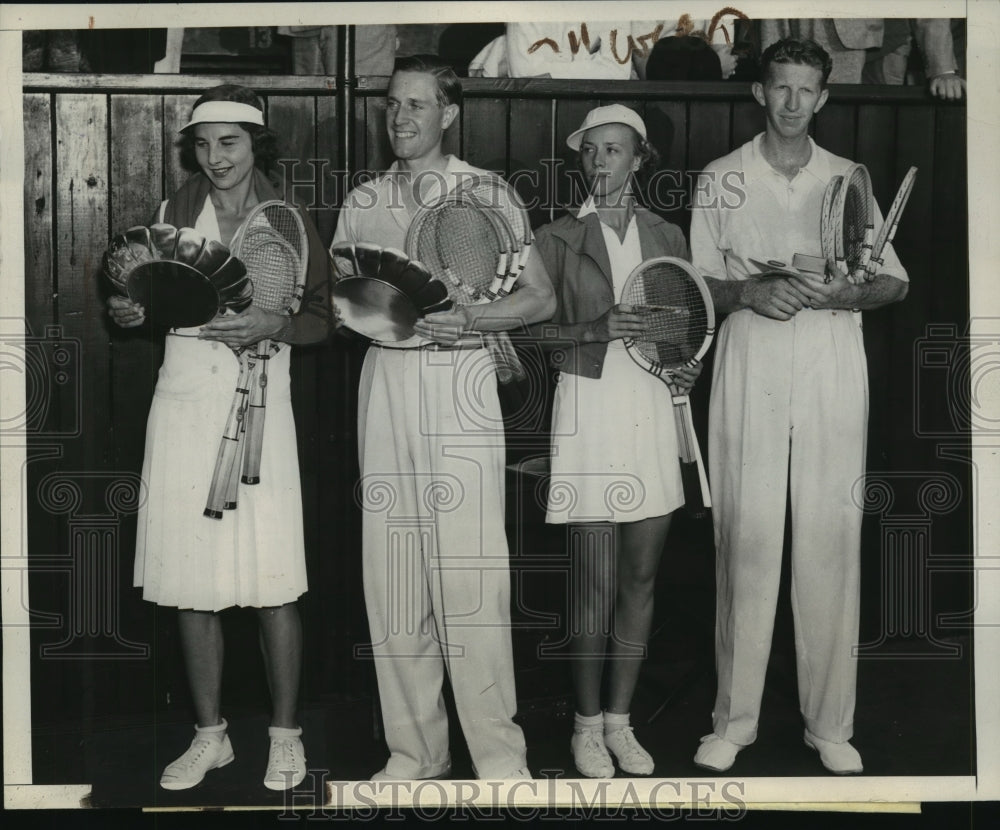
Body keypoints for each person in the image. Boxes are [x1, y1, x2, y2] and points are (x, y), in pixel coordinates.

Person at [330, 54, 555, 781]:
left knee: (470, 574)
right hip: (387, 383)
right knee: (393, 572)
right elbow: (344, 305)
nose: (401, 118)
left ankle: (499, 759)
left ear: (448, 114)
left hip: (460, 381)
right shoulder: (363, 199)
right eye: (393, 104)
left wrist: (472, 318)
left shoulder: (486, 193)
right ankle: (414, 754)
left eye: (417, 105)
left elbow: (541, 298)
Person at [688, 38, 908, 775]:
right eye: (779, 87)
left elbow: (893, 283)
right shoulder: (720, 179)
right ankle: (734, 721)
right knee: (745, 540)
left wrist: (851, 291)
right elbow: (693, 289)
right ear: (760, 93)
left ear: (822, 98)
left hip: (831, 364)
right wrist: (746, 292)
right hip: (750, 361)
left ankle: (830, 725)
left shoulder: (848, 177)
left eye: (804, 90)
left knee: (828, 539)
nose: (790, 102)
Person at [107, 84, 332, 791]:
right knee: (189, 580)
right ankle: (211, 736)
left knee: (274, 581)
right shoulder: (174, 211)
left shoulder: (287, 215)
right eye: (203, 145)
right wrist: (128, 308)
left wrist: (277, 325)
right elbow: (150, 299)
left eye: (229, 143)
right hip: (186, 400)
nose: (215, 158)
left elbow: (327, 315)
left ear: (256, 143)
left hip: (264, 405)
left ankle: (285, 736)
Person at [531, 104, 702, 778]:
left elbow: (686, 327)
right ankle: (584, 726)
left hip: (652, 411)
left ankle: (621, 723)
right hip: (590, 410)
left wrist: (686, 360)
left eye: (615, 150)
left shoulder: (669, 235)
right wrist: (594, 328)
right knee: (593, 585)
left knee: (639, 578)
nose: (602, 163)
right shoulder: (555, 238)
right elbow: (529, 335)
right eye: (592, 151)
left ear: (640, 158)